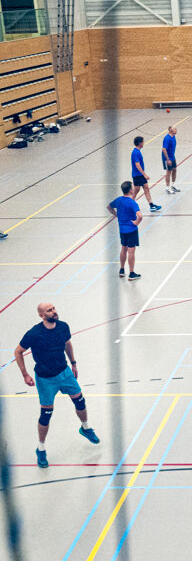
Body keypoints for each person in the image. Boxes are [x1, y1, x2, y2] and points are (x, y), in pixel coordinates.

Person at [14, 303, 100, 469]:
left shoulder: (63, 326)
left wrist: (73, 363)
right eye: (49, 310)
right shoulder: (34, 333)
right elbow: (18, 351)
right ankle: (41, 449)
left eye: (53, 308)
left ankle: (85, 428)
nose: (54, 311)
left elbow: (67, 344)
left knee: (80, 401)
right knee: (46, 414)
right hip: (45, 379)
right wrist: (25, 374)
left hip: (64, 372)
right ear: (42, 315)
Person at [108, 181, 144, 280]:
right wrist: (136, 222)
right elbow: (140, 216)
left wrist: (116, 215)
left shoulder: (119, 200)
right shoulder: (132, 203)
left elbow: (109, 207)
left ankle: (122, 270)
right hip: (131, 230)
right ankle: (131, 273)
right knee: (131, 251)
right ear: (130, 190)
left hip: (122, 230)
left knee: (123, 249)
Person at [130, 136, 161, 212]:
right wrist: (144, 174)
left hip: (140, 175)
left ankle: (151, 205)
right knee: (136, 191)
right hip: (137, 175)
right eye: (143, 142)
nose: (143, 143)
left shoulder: (138, 151)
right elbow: (137, 164)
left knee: (146, 188)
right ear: (140, 143)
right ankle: (129, 206)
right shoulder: (135, 153)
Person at [161, 125, 179, 194]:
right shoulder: (167, 138)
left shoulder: (173, 136)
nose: (176, 130)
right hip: (167, 158)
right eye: (175, 129)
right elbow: (164, 149)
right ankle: (167, 188)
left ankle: (173, 186)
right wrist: (168, 159)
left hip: (172, 156)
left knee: (174, 170)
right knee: (168, 172)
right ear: (171, 130)